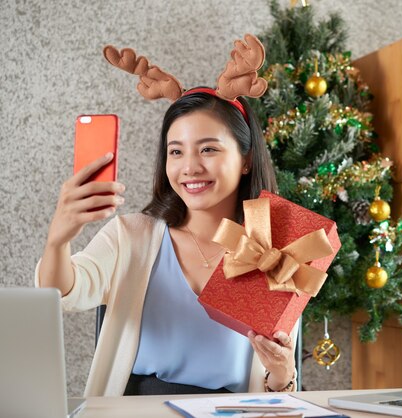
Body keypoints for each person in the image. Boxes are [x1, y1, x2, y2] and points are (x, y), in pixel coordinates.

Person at [35, 35, 298, 397]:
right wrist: (58, 239)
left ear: (246, 159)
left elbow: (276, 394)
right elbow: (62, 294)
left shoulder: (274, 250)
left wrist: (283, 374)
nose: (190, 167)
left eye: (208, 149)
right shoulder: (131, 236)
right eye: (176, 151)